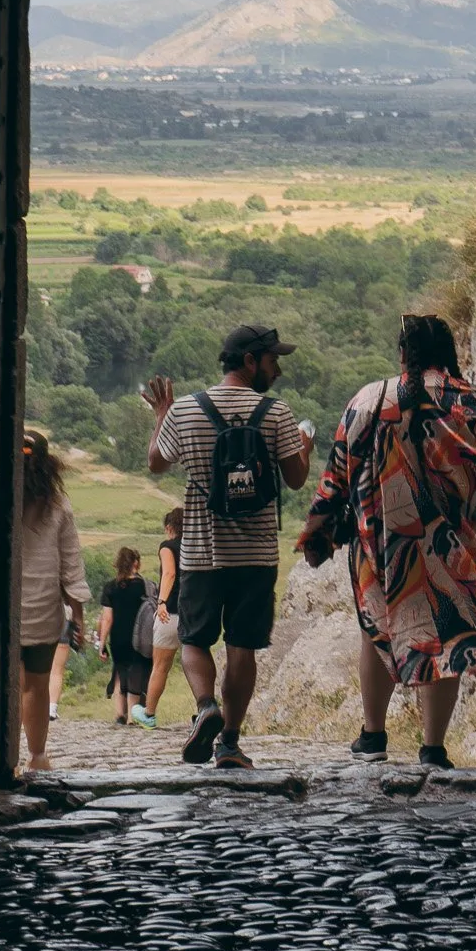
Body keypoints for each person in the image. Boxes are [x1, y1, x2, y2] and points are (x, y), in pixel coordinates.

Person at [296, 312, 476, 769]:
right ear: (449, 353)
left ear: (404, 353)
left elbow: (336, 475)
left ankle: (373, 735)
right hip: (455, 541)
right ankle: (433, 747)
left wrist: (318, 534)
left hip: (382, 541)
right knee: (449, 636)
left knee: (377, 627)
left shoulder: (369, 400)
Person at [144, 323, 316, 767]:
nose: (277, 369)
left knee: (193, 640)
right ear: (249, 362)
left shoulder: (185, 410)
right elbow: (295, 480)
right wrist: (306, 449)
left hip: (201, 552)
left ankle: (206, 708)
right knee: (243, 646)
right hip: (256, 557)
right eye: (273, 360)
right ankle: (230, 744)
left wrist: (162, 415)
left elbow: (156, 464)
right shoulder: (276, 414)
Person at [18, 431, 87, 775]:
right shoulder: (57, 505)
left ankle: (3, 755)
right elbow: (71, 566)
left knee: (8, 685)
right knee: (36, 684)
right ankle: (37, 756)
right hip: (43, 610)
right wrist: (79, 617)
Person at [134, 505, 187, 727]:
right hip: (194, 613)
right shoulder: (195, 545)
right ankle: (205, 709)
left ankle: (149, 713)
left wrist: (162, 601)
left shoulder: (168, 546)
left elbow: (169, 572)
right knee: (196, 663)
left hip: (171, 612)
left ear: (169, 527)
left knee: (160, 667)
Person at [96, 546, 151, 727]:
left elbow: (107, 618)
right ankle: (131, 717)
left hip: (117, 637)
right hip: (139, 637)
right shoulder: (143, 586)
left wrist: (102, 643)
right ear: (136, 563)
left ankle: (120, 714)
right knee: (136, 672)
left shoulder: (110, 587)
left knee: (120, 672)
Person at [47, 604, 74, 721]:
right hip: (63, 618)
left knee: (34, 669)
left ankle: (33, 706)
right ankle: (51, 708)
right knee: (57, 670)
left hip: (37, 620)